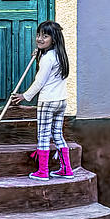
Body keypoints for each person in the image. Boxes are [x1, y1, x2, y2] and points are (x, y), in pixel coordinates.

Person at [10, 20, 74, 180]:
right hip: (61, 101)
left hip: (48, 102)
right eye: (38, 35)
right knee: (57, 134)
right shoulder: (60, 55)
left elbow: (40, 81)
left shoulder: (47, 58)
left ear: (54, 39)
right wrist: (39, 55)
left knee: (44, 136)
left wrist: (25, 95)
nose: (39, 39)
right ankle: (67, 169)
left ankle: (43, 171)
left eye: (45, 36)